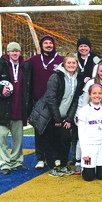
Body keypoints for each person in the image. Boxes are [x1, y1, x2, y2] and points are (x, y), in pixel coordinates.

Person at [0, 42, 32, 175]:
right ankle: (5, 164)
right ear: (7, 53)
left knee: (18, 139)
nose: (15, 53)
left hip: (19, 109)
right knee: (2, 139)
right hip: (2, 110)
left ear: (20, 52)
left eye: (17, 51)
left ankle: (17, 162)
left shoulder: (26, 68)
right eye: (12, 51)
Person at [29, 54, 84, 176]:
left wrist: (69, 118)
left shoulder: (78, 78)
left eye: (73, 63)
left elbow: (75, 100)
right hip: (49, 115)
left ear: (77, 65)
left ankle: (63, 165)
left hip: (64, 116)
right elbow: (51, 98)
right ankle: (52, 167)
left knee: (66, 139)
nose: (71, 65)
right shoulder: (56, 77)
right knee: (49, 140)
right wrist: (57, 118)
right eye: (68, 63)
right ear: (64, 64)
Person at [27, 35, 64, 169]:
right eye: (45, 43)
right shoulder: (34, 60)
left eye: (50, 43)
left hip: (56, 102)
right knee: (39, 130)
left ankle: (57, 156)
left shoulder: (61, 60)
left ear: (54, 45)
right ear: (41, 46)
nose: (48, 45)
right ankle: (40, 158)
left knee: (56, 130)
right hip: (39, 102)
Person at [77, 84, 102, 181]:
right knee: (89, 178)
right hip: (89, 146)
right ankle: (84, 168)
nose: (97, 96)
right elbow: (81, 133)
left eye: (99, 93)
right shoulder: (84, 110)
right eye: (94, 93)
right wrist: (84, 152)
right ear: (90, 94)